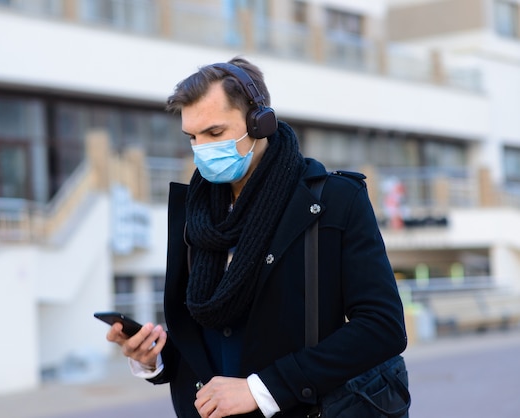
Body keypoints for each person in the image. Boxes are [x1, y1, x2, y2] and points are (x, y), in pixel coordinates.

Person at [106, 56, 408, 418]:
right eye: (193, 137)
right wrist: (154, 360)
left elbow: (382, 328)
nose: (202, 149)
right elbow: (207, 338)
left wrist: (262, 389)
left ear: (260, 122)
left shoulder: (335, 201)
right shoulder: (194, 213)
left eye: (214, 133)